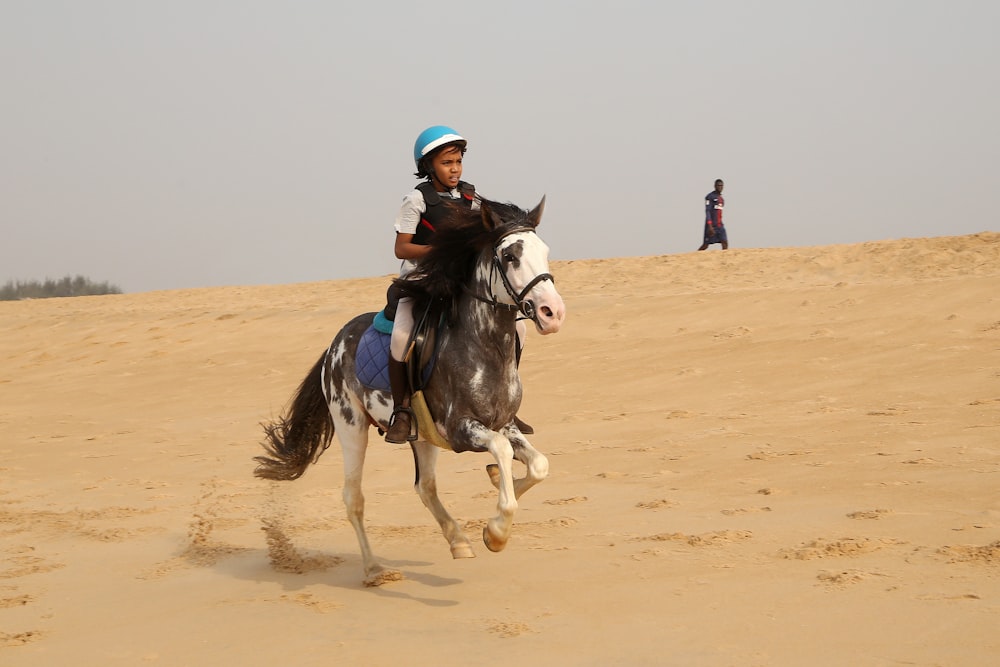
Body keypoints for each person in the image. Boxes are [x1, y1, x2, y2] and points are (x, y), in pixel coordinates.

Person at [384, 125, 533, 443]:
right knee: (400, 337)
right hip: (420, 278)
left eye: (458, 162)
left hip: (461, 279)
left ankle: (505, 405)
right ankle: (402, 410)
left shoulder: (471, 197)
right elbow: (402, 248)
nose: (454, 169)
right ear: (428, 167)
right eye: (446, 163)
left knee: (519, 326)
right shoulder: (416, 200)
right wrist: (442, 251)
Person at [697, 178, 728, 251]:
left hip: (720, 225)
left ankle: (724, 259)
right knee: (705, 244)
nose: (720, 187)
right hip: (711, 225)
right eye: (718, 185)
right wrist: (710, 225)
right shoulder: (710, 197)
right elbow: (707, 211)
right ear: (715, 186)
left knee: (725, 242)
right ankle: (694, 257)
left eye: (721, 186)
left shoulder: (721, 199)